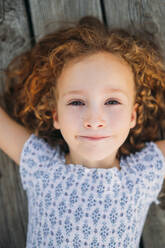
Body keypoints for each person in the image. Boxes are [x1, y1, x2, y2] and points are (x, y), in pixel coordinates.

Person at [0, 15, 165, 248]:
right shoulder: (41, 167)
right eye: (76, 102)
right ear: (56, 115)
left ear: (132, 115)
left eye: (112, 102)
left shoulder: (142, 176)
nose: (94, 120)